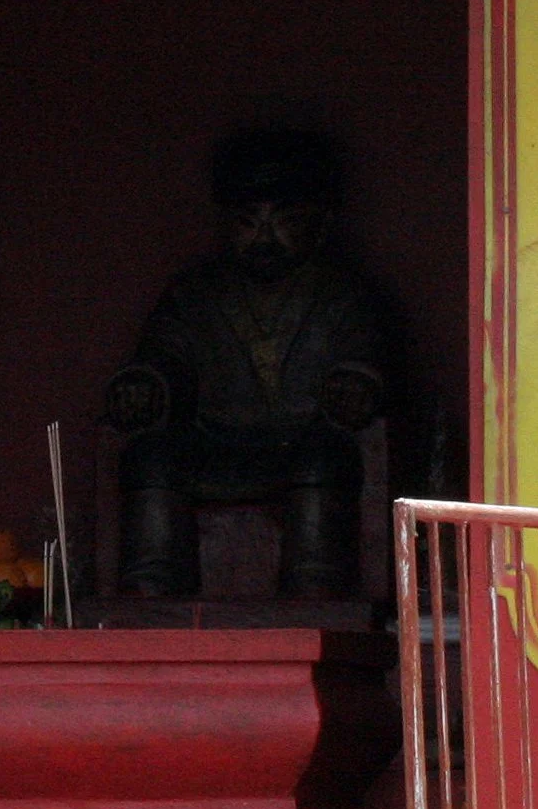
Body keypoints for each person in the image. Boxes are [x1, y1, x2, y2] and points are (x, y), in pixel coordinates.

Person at [106, 128, 385, 600]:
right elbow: (163, 356)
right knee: (149, 458)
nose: (264, 236)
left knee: (326, 458)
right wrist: (145, 386)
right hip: (212, 437)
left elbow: (366, 356)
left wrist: (355, 384)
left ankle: (313, 596)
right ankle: (151, 598)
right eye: (248, 221)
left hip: (306, 436)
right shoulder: (195, 294)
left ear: (319, 224)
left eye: (284, 220)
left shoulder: (341, 294)